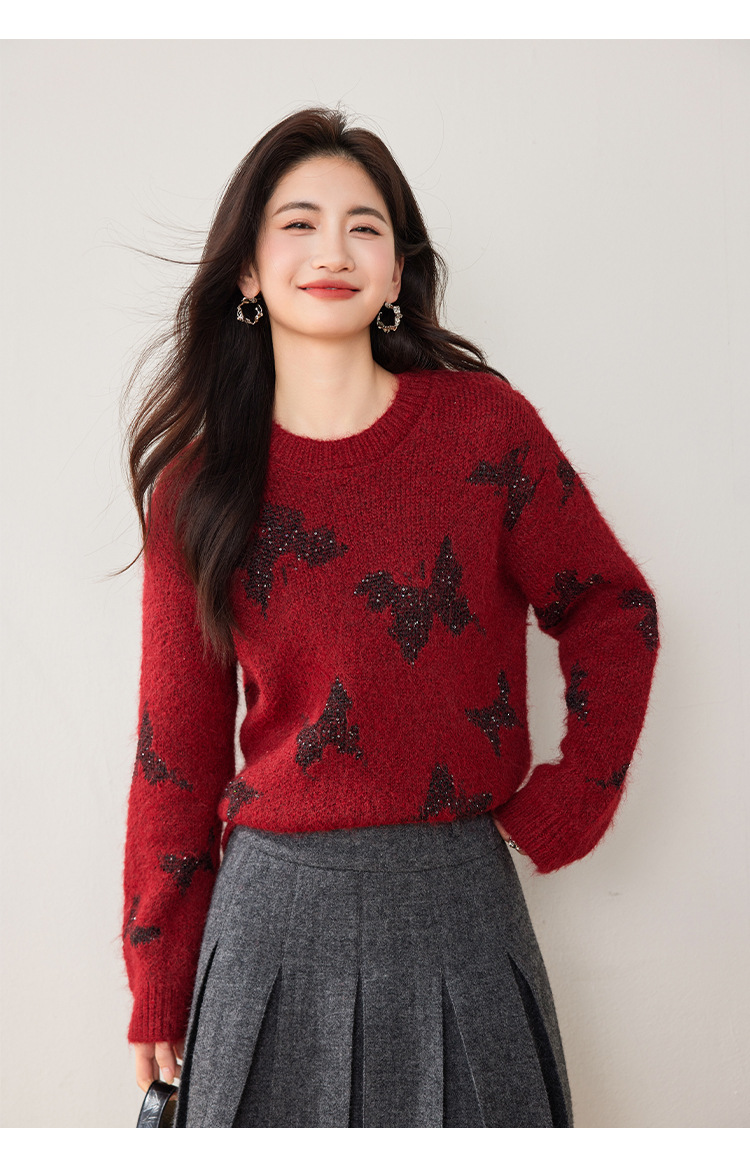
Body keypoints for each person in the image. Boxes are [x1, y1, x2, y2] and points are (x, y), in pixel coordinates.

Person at [120, 106, 659, 1128]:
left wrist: (574, 797)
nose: (333, 250)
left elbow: (610, 606)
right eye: (299, 223)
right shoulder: (197, 488)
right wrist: (158, 970)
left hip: (459, 901)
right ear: (247, 271)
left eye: (363, 226)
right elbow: (174, 751)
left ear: (399, 271)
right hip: (267, 922)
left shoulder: (485, 429)